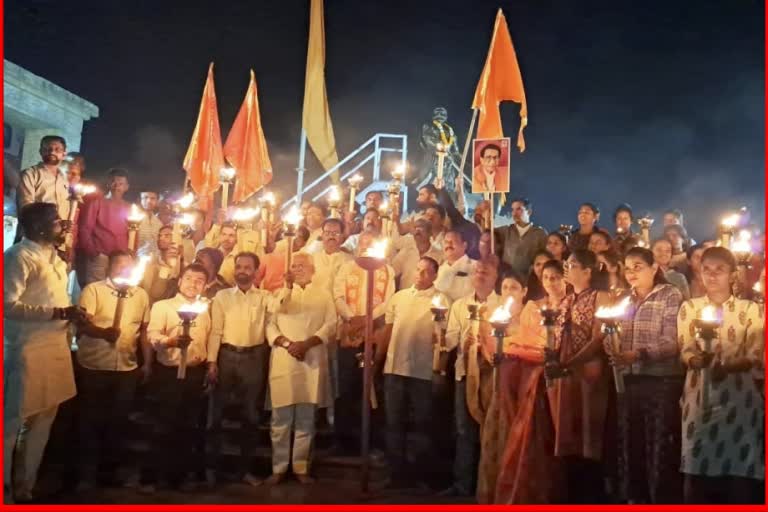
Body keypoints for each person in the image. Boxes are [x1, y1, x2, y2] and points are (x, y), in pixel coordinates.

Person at [4, 203, 86, 503]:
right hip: (27, 350)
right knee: (11, 423)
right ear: (38, 227)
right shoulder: (17, 257)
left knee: (44, 420)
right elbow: (7, 305)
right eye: (55, 222)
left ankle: (27, 486)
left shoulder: (54, 259)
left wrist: (71, 315)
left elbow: (57, 299)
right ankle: (6, 492)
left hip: (55, 349)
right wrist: (57, 312)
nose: (62, 226)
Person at [677, 247, 764, 503]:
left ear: (733, 275)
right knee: (695, 467)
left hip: (739, 400)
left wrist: (726, 367)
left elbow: (755, 355)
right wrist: (696, 360)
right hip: (699, 398)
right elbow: (685, 349)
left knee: (740, 470)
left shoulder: (750, 310)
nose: (712, 276)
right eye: (707, 270)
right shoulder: (689, 308)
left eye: (720, 270)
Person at [606, 247, 684, 503]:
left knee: (659, 448)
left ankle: (661, 500)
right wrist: (612, 344)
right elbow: (615, 337)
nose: (631, 272)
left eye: (638, 266)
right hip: (629, 382)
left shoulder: (669, 295)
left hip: (661, 382)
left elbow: (672, 341)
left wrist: (639, 354)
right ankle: (634, 500)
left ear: (654, 268)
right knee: (632, 445)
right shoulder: (624, 300)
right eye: (627, 267)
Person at [491, 259, 568, 503]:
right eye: (546, 278)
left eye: (556, 277)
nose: (551, 282)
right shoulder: (534, 307)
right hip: (530, 375)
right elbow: (526, 340)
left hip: (560, 376)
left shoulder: (571, 304)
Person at [206, 252, 286, 486]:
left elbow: (280, 306)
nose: (242, 271)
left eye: (247, 267)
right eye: (238, 267)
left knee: (251, 417)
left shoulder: (264, 297)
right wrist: (212, 362)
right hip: (226, 356)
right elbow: (216, 331)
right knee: (215, 416)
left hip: (253, 357)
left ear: (255, 271)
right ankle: (212, 470)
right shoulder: (222, 296)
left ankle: (244, 471)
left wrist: (288, 284)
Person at [75, 250, 152, 489]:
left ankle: (109, 473)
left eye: (129, 266)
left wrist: (147, 362)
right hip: (94, 365)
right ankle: (83, 474)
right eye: (119, 265)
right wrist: (102, 333)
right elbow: (82, 324)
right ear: (110, 266)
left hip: (125, 367)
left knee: (118, 422)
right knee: (90, 420)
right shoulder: (93, 290)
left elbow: (144, 332)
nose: (124, 270)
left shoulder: (140, 295)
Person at [546, 249, 613, 503]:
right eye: (566, 263)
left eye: (572, 264)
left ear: (587, 271)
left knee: (589, 429)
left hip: (589, 370)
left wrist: (571, 362)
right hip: (567, 372)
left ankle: (591, 494)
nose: (567, 267)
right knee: (567, 426)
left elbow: (599, 337)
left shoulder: (601, 296)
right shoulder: (565, 300)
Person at [265, 253, 336, 485]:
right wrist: (288, 344)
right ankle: (279, 467)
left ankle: (300, 466)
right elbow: (272, 321)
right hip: (285, 358)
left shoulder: (323, 294)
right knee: (281, 418)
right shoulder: (280, 293)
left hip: (311, 358)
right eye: (293, 265)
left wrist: (307, 344)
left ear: (313, 269)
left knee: (306, 417)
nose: (297, 269)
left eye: (302, 265)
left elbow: (331, 324)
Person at [142, 263, 212, 492]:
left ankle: (178, 477)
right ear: (180, 280)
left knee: (188, 425)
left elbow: (209, 337)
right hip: (169, 371)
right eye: (190, 278)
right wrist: (170, 342)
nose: (194, 284)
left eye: (200, 280)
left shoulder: (205, 309)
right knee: (163, 424)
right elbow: (152, 334)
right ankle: (151, 477)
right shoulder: (163, 306)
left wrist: (210, 365)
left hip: (194, 371)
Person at [375, 257, 442, 488]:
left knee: (422, 425)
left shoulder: (441, 299)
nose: (421, 275)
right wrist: (378, 360)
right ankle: (396, 473)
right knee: (394, 422)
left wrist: (438, 369)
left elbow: (441, 337)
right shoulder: (399, 297)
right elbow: (389, 329)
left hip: (422, 370)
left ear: (434, 275)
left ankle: (420, 474)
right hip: (394, 368)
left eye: (427, 272)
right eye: (418, 270)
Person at [441, 257, 504, 497]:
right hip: (465, 371)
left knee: (491, 430)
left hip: (492, 375)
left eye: (486, 272)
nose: (480, 274)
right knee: (463, 429)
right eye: (477, 271)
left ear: (495, 276)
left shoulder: (501, 305)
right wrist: (457, 340)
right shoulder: (460, 305)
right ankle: (462, 484)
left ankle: (489, 484)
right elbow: (449, 338)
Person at [333, 233, 396, 453]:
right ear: (358, 246)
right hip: (349, 330)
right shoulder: (346, 268)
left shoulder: (387, 270)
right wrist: (352, 318)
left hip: (374, 332)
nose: (367, 247)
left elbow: (389, 300)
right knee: (346, 385)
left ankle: (369, 441)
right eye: (363, 243)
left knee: (371, 388)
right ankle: (343, 441)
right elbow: (338, 296)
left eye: (371, 243)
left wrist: (368, 318)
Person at [476, 270, 527, 503]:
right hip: (496, 386)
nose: (508, 292)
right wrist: (488, 354)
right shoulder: (492, 316)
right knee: (493, 436)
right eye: (505, 287)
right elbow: (484, 348)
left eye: (514, 288)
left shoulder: (530, 317)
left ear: (524, 292)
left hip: (520, 388)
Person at [77, 168, 131, 285]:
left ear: (126, 187)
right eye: (114, 182)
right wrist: (93, 252)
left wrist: (129, 254)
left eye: (121, 184)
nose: (117, 186)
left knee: (114, 291)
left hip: (120, 258)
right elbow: (85, 228)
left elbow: (132, 233)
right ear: (108, 183)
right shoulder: (97, 203)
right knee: (95, 289)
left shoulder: (129, 207)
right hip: (100, 256)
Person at [16, 135, 71, 224]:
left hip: (61, 233)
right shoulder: (30, 174)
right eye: (47, 149)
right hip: (38, 232)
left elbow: (68, 206)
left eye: (57, 149)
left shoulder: (65, 179)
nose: (52, 152)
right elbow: (26, 206)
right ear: (41, 151)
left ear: (64, 154)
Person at [495, 198, 548, 276]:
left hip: (528, 279)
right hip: (506, 277)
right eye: (513, 210)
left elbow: (545, 256)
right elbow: (486, 233)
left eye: (518, 209)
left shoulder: (540, 234)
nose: (514, 213)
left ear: (529, 212)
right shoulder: (506, 231)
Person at [257, 225, 310, 292]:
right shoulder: (271, 256)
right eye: (294, 236)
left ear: (304, 243)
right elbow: (256, 279)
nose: (295, 239)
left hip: (292, 296)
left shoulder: (304, 259)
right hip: (270, 296)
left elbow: (305, 283)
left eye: (299, 237)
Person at [141, 226, 181, 304]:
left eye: (167, 235)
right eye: (159, 235)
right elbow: (153, 294)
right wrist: (165, 268)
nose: (161, 238)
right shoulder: (150, 264)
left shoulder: (182, 262)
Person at [435, 230, 476, 302]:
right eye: (446, 242)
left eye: (453, 241)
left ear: (464, 245)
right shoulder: (438, 269)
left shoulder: (476, 267)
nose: (448, 245)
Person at [137, 191, 163, 255]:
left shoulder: (159, 223)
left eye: (153, 198)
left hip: (156, 259)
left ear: (157, 201)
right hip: (137, 258)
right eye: (145, 197)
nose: (149, 201)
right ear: (140, 200)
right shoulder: (134, 220)